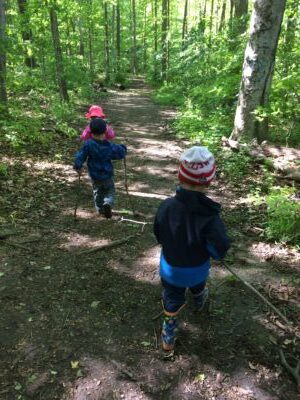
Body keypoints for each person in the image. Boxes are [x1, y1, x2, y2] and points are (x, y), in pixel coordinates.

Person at [153, 146, 230, 353]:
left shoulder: (166, 206)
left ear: (180, 175)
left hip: (171, 270)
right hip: (197, 271)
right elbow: (219, 249)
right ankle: (199, 298)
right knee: (198, 284)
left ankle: (169, 335)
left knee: (173, 297)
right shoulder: (211, 217)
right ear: (210, 181)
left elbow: (158, 234)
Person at [74, 118, 127, 218]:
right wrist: (123, 148)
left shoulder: (88, 144)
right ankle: (108, 203)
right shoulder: (109, 146)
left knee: (97, 192)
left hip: (95, 175)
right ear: (105, 132)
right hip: (107, 175)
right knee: (110, 190)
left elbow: (81, 155)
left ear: (91, 132)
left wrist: (78, 165)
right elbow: (119, 152)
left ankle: (100, 209)